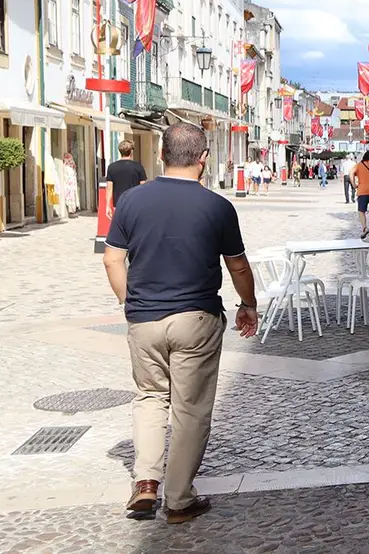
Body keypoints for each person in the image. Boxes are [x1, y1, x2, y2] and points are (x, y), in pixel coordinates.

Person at [101, 123, 258, 525]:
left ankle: (146, 482)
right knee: (190, 409)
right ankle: (178, 497)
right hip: (196, 318)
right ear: (203, 158)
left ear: (161, 156)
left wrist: (129, 303)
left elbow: (111, 259)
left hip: (145, 320)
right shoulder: (218, 206)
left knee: (150, 398)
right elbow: (237, 265)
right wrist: (248, 305)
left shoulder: (133, 202)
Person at [105, 139, 147, 219]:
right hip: (135, 204)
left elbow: (109, 188)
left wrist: (107, 206)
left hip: (118, 204)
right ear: (131, 151)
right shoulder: (138, 167)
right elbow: (143, 187)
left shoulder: (112, 167)